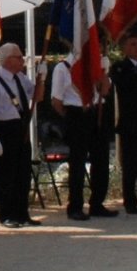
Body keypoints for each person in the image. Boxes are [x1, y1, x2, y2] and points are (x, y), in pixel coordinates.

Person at [0, 43, 47, 228]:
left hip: (21, 129)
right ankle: (6, 215)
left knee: (22, 175)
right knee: (5, 176)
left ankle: (22, 213)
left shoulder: (20, 78)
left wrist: (42, 78)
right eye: (19, 57)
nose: (22, 60)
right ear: (8, 60)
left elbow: (38, 97)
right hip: (4, 130)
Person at [51, 52, 118, 220]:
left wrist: (104, 71)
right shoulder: (63, 68)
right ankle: (75, 206)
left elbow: (105, 90)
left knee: (101, 160)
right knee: (78, 163)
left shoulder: (97, 64)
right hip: (76, 114)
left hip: (97, 112)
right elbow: (56, 101)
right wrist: (70, 118)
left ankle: (97, 204)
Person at [109, 32, 137, 214]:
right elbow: (125, 86)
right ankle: (130, 201)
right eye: (133, 44)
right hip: (131, 124)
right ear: (124, 48)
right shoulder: (120, 68)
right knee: (131, 164)